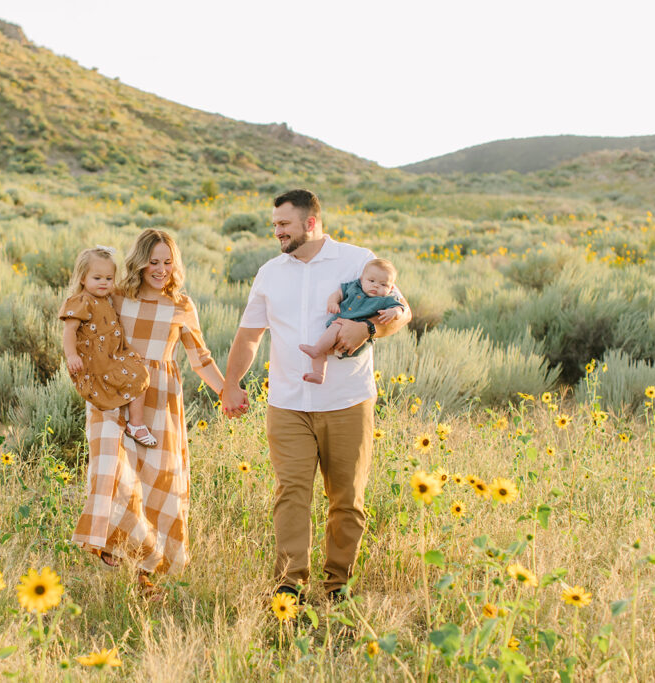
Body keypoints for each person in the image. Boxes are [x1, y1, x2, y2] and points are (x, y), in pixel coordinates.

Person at [221, 189, 411, 602]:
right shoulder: (270, 271)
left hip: (346, 402)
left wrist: (370, 329)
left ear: (310, 223)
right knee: (291, 494)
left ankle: (338, 584)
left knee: (347, 499)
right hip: (287, 404)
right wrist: (231, 382)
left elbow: (402, 311)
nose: (277, 232)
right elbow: (250, 334)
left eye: (283, 224)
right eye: (274, 225)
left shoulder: (357, 259)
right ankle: (290, 585)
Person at [71, 228, 225, 596]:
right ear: (139, 262)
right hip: (113, 395)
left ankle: (148, 570)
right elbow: (83, 315)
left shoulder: (182, 306)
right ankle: (112, 541)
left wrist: (227, 392)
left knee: (158, 482)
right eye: (153, 261)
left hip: (161, 398)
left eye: (167, 262)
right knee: (111, 469)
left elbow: (200, 359)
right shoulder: (118, 296)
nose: (160, 269)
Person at [59, 246, 156, 447]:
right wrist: (71, 355)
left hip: (113, 356)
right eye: (97, 278)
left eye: (108, 278)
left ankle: (133, 423)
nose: (104, 282)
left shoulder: (106, 298)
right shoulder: (82, 301)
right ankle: (134, 424)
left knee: (140, 374)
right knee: (135, 377)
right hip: (97, 363)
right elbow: (69, 331)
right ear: (82, 279)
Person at [298, 258, 405, 383]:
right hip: (336, 336)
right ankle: (319, 374)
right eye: (371, 281)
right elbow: (338, 293)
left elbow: (401, 309)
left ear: (391, 288)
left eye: (383, 284)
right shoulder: (354, 287)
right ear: (361, 280)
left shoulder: (386, 299)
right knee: (324, 350)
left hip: (357, 341)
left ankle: (316, 350)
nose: (376, 285)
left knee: (334, 327)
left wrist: (394, 312)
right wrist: (333, 302)